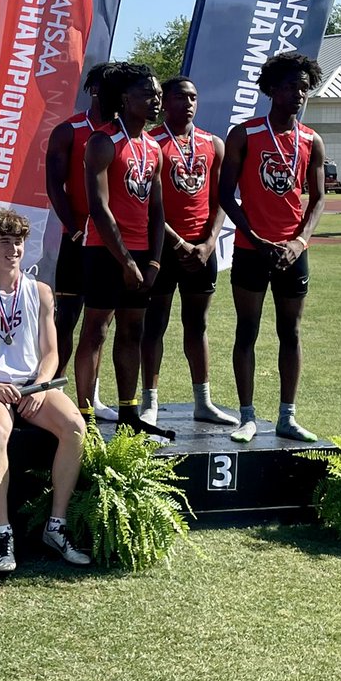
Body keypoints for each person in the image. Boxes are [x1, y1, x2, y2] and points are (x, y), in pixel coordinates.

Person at [0, 210, 91, 572]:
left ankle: (56, 526)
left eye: (18, 242)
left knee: (75, 426)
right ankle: (2, 532)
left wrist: (40, 388)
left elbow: (51, 353)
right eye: (4, 242)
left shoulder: (41, 291)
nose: (13, 249)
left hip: (32, 385)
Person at [219, 53, 326, 443]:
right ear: (271, 89)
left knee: (291, 333)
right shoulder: (244, 134)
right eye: (290, 86)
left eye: (303, 87)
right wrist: (255, 237)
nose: (298, 94)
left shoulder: (312, 140)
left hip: (292, 252)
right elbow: (225, 195)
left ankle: (287, 416)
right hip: (251, 249)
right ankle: (247, 416)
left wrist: (298, 242)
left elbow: (317, 200)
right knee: (247, 330)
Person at [74, 63, 172, 441]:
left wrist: (153, 261)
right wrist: (126, 262)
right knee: (96, 330)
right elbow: (98, 209)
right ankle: (85, 413)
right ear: (125, 99)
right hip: (103, 251)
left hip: (142, 252)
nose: (156, 99)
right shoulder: (102, 141)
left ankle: (129, 411)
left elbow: (158, 210)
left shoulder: (154, 147)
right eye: (148, 93)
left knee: (133, 330)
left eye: (157, 93)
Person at [139, 77, 238, 427]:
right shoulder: (150, 144)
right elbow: (149, 207)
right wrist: (179, 243)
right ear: (164, 102)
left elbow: (220, 199)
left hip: (202, 250)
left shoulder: (214, 144)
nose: (188, 103)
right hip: (164, 249)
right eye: (180, 97)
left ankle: (203, 402)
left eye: (193, 97)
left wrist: (210, 243)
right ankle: (149, 403)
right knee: (155, 326)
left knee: (197, 325)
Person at [45, 63, 117, 421]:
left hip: (113, 243)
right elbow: (54, 185)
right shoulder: (69, 131)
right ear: (94, 90)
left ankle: (93, 396)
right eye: (109, 88)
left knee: (100, 322)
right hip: (77, 240)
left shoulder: (126, 134)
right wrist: (73, 228)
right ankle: (53, 389)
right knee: (67, 319)